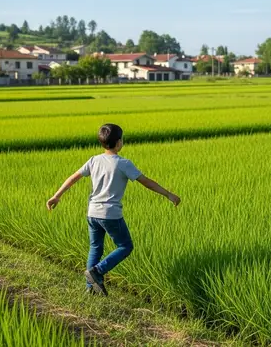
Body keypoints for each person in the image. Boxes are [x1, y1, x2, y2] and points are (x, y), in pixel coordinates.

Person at [46, 123, 181, 296]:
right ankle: (98, 271)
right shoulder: (124, 164)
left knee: (96, 247)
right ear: (118, 143)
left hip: (92, 213)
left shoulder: (94, 160)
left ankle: (90, 289)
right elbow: (146, 181)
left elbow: (73, 178)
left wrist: (57, 195)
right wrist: (168, 194)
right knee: (125, 246)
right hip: (110, 214)